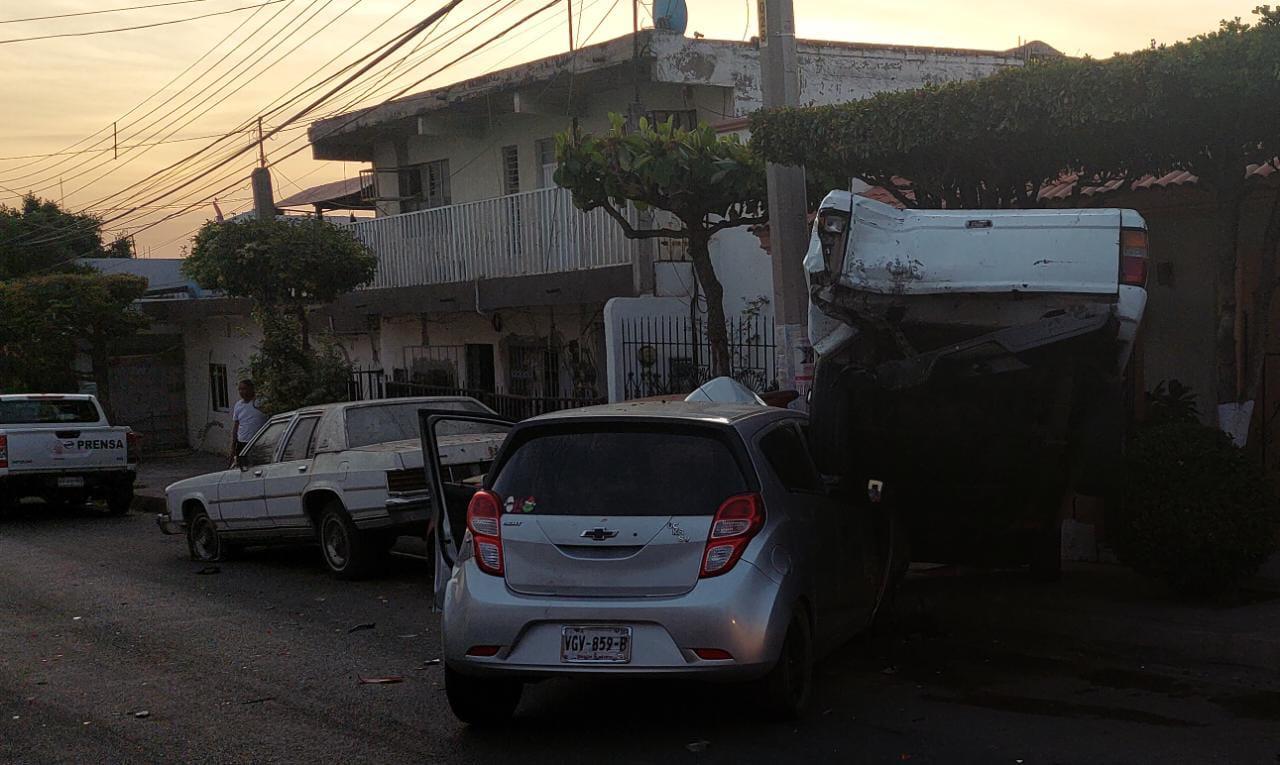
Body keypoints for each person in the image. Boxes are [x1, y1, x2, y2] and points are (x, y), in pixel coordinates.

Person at [230, 379, 267, 461]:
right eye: (240, 389)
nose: (241, 392)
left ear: (251, 389)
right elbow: (236, 425)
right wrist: (233, 445)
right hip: (242, 442)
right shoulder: (238, 405)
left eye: (244, 389)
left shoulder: (261, 402)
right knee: (242, 464)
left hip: (258, 442)